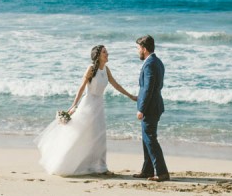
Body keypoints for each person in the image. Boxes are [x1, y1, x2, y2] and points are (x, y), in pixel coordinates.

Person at [35, 45, 137, 176]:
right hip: (88, 105)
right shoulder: (91, 68)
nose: (107, 54)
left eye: (106, 52)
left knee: (100, 137)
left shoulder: (106, 69)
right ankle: (68, 162)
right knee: (81, 135)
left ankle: (101, 167)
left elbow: (116, 85)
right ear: (98, 55)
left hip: (99, 106)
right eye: (105, 52)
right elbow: (82, 87)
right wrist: (73, 106)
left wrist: (131, 96)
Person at [133, 35, 170, 182]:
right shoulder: (157, 62)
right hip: (153, 105)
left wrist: (141, 108)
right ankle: (147, 170)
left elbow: (149, 88)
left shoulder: (150, 64)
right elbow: (152, 87)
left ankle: (162, 172)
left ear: (144, 49)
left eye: (138, 48)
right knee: (146, 139)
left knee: (150, 140)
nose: (137, 51)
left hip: (150, 108)